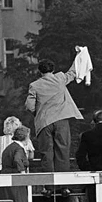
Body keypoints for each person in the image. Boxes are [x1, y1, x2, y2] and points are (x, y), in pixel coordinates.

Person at [25, 57, 83, 193]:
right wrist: (79, 56)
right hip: (61, 119)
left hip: (44, 122)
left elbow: (29, 105)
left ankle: (49, 187)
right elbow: (73, 72)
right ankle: (64, 187)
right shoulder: (60, 78)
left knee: (47, 153)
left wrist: (38, 113)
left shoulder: (35, 85)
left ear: (40, 71)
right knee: (63, 151)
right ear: (53, 69)